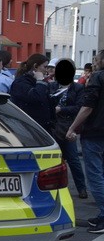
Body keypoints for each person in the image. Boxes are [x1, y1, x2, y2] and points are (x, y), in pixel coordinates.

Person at [67, 51, 104, 232]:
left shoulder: (98, 78)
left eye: (96, 60)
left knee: (95, 177)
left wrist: (73, 127)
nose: (94, 64)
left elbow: (88, 107)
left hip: (96, 132)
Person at [52, 59, 87, 199]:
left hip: (68, 126)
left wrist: (61, 109)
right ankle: (55, 188)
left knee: (73, 159)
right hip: (54, 126)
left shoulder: (77, 88)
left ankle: (81, 189)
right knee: (54, 159)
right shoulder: (52, 86)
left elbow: (79, 107)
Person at [9, 53, 52, 131]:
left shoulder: (40, 82)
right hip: (28, 127)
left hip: (43, 127)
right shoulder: (21, 82)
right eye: (45, 67)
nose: (46, 71)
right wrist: (40, 81)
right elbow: (35, 97)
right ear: (35, 66)